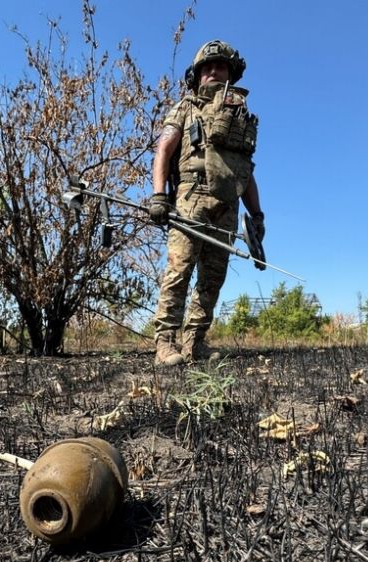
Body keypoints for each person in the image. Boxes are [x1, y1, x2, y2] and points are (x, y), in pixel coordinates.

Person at [148, 40, 265, 366]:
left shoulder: (239, 116)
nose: (213, 71)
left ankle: (194, 343)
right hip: (191, 196)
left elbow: (246, 172)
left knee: (213, 278)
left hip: (227, 203)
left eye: (220, 66)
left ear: (231, 73)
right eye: (207, 67)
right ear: (197, 75)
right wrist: (159, 195)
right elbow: (164, 150)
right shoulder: (186, 108)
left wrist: (257, 215)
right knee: (179, 270)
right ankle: (165, 344)